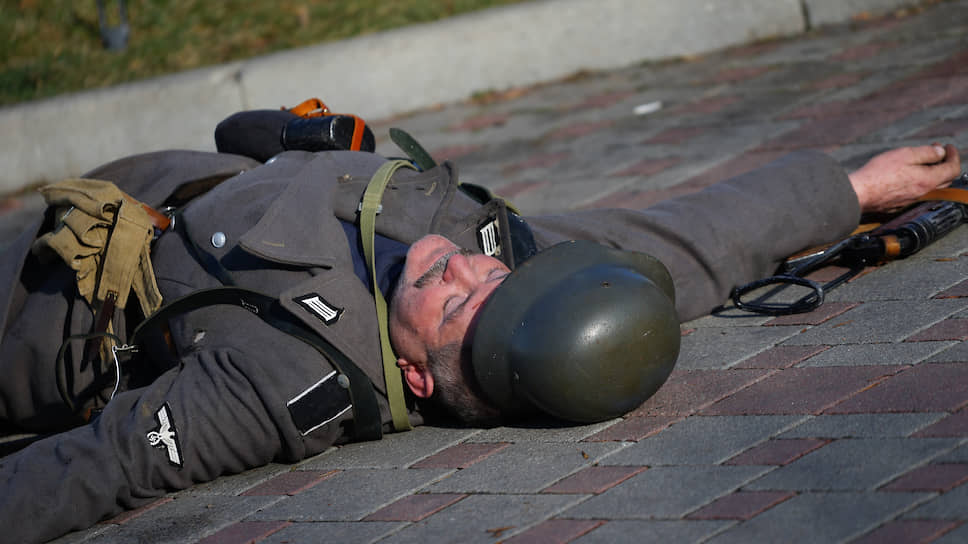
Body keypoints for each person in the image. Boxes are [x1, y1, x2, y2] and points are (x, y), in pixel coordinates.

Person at [0, 121, 959, 543]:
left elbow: (97, 468)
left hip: (34, 293)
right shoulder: (509, 264)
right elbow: (682, 244)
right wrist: (854, 189)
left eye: (456, 302)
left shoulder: (286, 378)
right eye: (487, 275)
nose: (456, 263)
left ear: (416, 377)